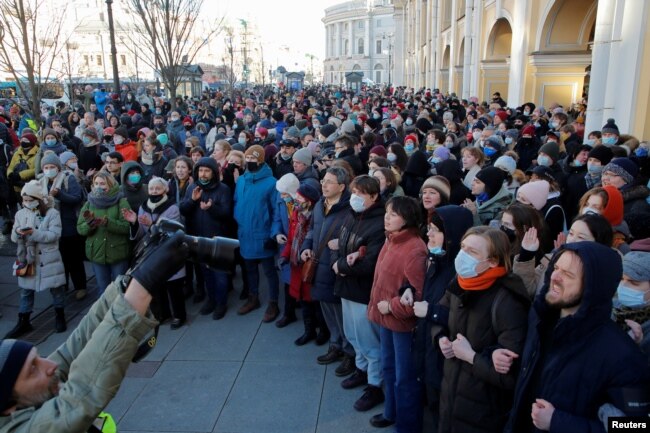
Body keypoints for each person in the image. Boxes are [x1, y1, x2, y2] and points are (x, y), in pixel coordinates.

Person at [0, 230, 191, 432]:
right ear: (9, 406)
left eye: (38, 358)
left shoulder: (28, 398)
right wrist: (143, 286)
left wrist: (127, 282)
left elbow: (73, 350)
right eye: (33, 369)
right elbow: (79, 399)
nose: (50, 365)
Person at [504, 242, 650, 433]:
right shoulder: (541, 320)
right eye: (556, 268)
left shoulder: (623, 356)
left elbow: (636, 425)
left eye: (568, 274)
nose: (554, 277)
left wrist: (558, 422)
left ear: (593, 287)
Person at [435, 226, 530, 433]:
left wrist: (471, 357)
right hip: (451, 398)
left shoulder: (507, 301)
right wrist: (441, 338)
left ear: (493, 261)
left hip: (484, 412)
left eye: (473, 252)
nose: (463, 255)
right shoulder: (461, 282)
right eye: (463, 247)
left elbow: (511, 375)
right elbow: (440, 315)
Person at [402, 205, 474, 425]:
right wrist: (406, 290)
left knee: (440, 411)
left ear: (452, 234)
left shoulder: (463, 270)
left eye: (436, 230)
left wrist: (431, 312)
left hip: (445, 355)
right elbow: (424, 290)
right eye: (429, 228)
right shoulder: (436, 260)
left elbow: (465, 316)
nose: (429, 234)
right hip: (428, 347)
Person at [366, 196, 427, 431]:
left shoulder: (415, 249)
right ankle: (391, 412)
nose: (386, 217)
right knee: (389, 368)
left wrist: (391, 306)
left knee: (405, 378)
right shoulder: (391, 239)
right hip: (385, 320)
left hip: (402, 324)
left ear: (407, 218)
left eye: (393, 214)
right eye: (387, 212)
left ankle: (407, 425)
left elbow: (417, 296)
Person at [332, 175, 386, 412]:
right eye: (353, 192)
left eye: (360, 193)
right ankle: (361, 369)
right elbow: (340, 246)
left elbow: (371, 262)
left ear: (374, 196)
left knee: (369, 339)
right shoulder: (351, 215)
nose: (354, 197)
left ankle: (376, 384)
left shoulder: (379, 223)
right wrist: (339, 264)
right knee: (353, 335)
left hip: (363, 291)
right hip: (346, 286)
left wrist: (342, 267)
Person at [301, 167, 354, 376]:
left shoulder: (349, 210)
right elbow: (313, 229)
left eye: (329, 182)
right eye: (323, 180)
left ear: (341, 186)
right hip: (317, 267)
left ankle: (349, 353)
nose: (324, 184)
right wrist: (306, 246)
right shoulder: (319, 206)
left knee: (341, 315)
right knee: (327, 311)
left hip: (335, 269)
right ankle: (336, 345)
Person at [5, 181, 67, 338]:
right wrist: (19, 232)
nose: (26, 202)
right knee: (26, 291)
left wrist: (34, 233)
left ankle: (60, 315)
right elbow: (13, 236)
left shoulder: (52, 213)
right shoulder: (20, 214)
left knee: (56, 289)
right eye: (24, 199)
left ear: (38, 198)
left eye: (29, 199)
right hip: (28, 257)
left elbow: (55, 235)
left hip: (49, 257)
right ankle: (23, 320)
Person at [180, 157, 232, 319]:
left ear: (213, 173)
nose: (203, 174)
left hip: (219, 238)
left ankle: (221, 303)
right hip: (198, 238)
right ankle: (211, 299)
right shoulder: (192, 188)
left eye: (206, 171)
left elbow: (226, 214)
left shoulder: (223, 189)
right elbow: (183, 210)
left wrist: (211, 209)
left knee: (220, 275)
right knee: (205, 273)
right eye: (200, 170)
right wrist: (192, 201)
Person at [36, 152, 87, 301]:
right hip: (51, 227)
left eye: (52, 166)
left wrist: (60, 195)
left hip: (68, 224)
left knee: (74, 259)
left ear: (58, 167)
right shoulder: (41, 181)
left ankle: (80, 286)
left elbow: (77, 198)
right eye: (46, 167)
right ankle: (61, 285)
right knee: (58, 258)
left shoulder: (68, 178)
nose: (49, 169)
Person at [77, 172, 131, 295]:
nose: (99, 186)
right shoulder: (89, 203)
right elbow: (80, 229)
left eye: (102, 183)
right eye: (96, 183)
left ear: (110, 185)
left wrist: (108, 223)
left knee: (120, 291)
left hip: (118, 253)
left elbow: (127, 227)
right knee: (103, 291)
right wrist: (90, 225)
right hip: (97, 254)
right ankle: (104, 314)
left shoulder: (121, 202)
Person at [612, 251, 650, 359]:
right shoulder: (612, 305)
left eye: (633, 282)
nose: (623, 286)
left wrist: (636, 346)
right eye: (621, 279)